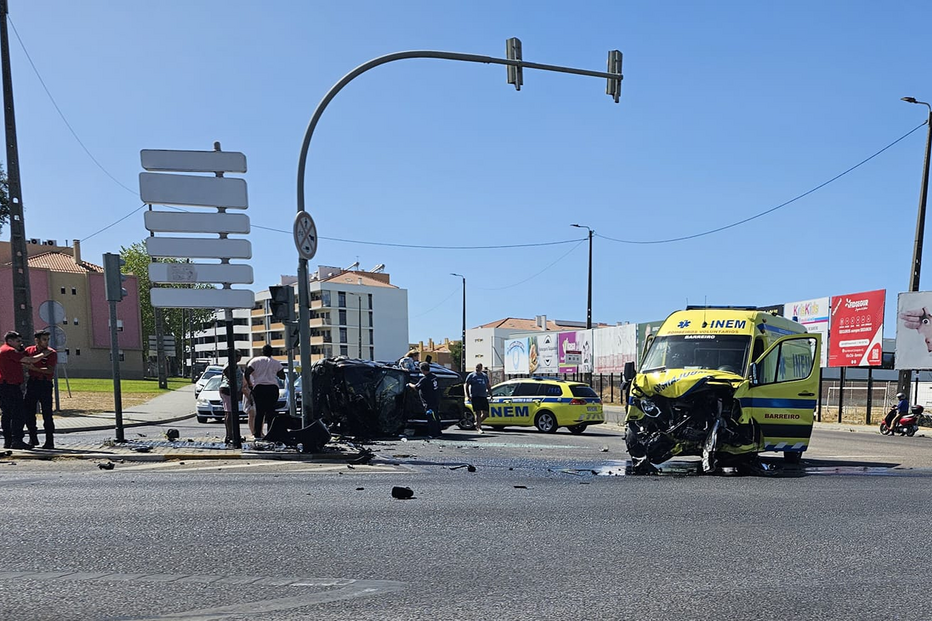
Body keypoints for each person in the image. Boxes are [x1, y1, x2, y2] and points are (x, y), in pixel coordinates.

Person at [0, 331, 53, 450]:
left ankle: (8, 441)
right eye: (18, 341)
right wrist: (43, 354)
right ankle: (17, 440)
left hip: (5, 385)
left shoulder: (3, 349)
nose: (20, 343)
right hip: (11, 386)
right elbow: (30, 360)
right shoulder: (10, 351)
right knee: (18, 414)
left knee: (7, 414)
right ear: (10, 341)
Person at [23, 330, 58, 449]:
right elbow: (23, 360)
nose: (46, 342)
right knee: (29, 412)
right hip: (32, 383)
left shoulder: (51, 353)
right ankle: (33, 438)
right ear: (37, 340)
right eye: (44, 339)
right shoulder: (29, 350)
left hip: (45, 384)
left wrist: (34, 368)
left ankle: (49, 441)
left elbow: (49, 370)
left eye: (48, 339)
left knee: (47, 413)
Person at [245, 344, 284, 439]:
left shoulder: (255, 361)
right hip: (272, 388)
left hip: (259, 387)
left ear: (262, 352)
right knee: (271, 412)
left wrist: (250, 384)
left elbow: (247, 373)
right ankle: (271, 433)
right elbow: (282, 376)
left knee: (259, 412)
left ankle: (257, 434)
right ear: (272, 352)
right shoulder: (276, 363)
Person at [219, 352, 246, 445]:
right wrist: (232, 381)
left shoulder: (234, 365)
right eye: (239, 356)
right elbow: (226, 371)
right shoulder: (231, 364)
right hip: (228, 390)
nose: (240, 358)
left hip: (230, 390)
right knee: (229, 413)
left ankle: (232, 434)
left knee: (230, 413)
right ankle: (230, 435)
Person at [409, 361, 441, 438]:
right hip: (435, 400)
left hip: (428, 402)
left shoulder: (425, 379)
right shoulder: (434, 377)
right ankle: (438, 432)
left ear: (422, 370)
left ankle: (433, 434)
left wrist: (409, 384)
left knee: (431, 418)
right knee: (436, 417)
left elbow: (416, 387)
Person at [464, 363, 491, 434]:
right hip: (475, 396)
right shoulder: (471, 375)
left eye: (478, 367)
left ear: (481, 368)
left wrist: (491, 394)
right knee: (478, 412)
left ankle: (477, 423)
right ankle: (479, 428)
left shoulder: (484, 376)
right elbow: (467, 385)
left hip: (483, 396)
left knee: (486, 413)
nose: (477, 369)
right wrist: (468, 396)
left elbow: (488, 385)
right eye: (476, 367)